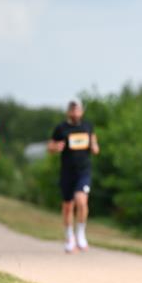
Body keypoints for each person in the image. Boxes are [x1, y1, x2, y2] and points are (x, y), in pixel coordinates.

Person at [48, 99, 99, 253]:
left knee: (81, 200)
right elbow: (50, 146)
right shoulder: (61, 128)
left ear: (81, 111)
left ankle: (81, 234)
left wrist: (94, 146)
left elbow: (95, 146)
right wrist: (56, 147)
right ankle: (70, 237)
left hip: (83, 171)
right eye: (72, 110)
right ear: (68, 112)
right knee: (68, 206)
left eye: (77, 110)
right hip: (67, 172)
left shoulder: (87, 126)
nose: (75, 112)